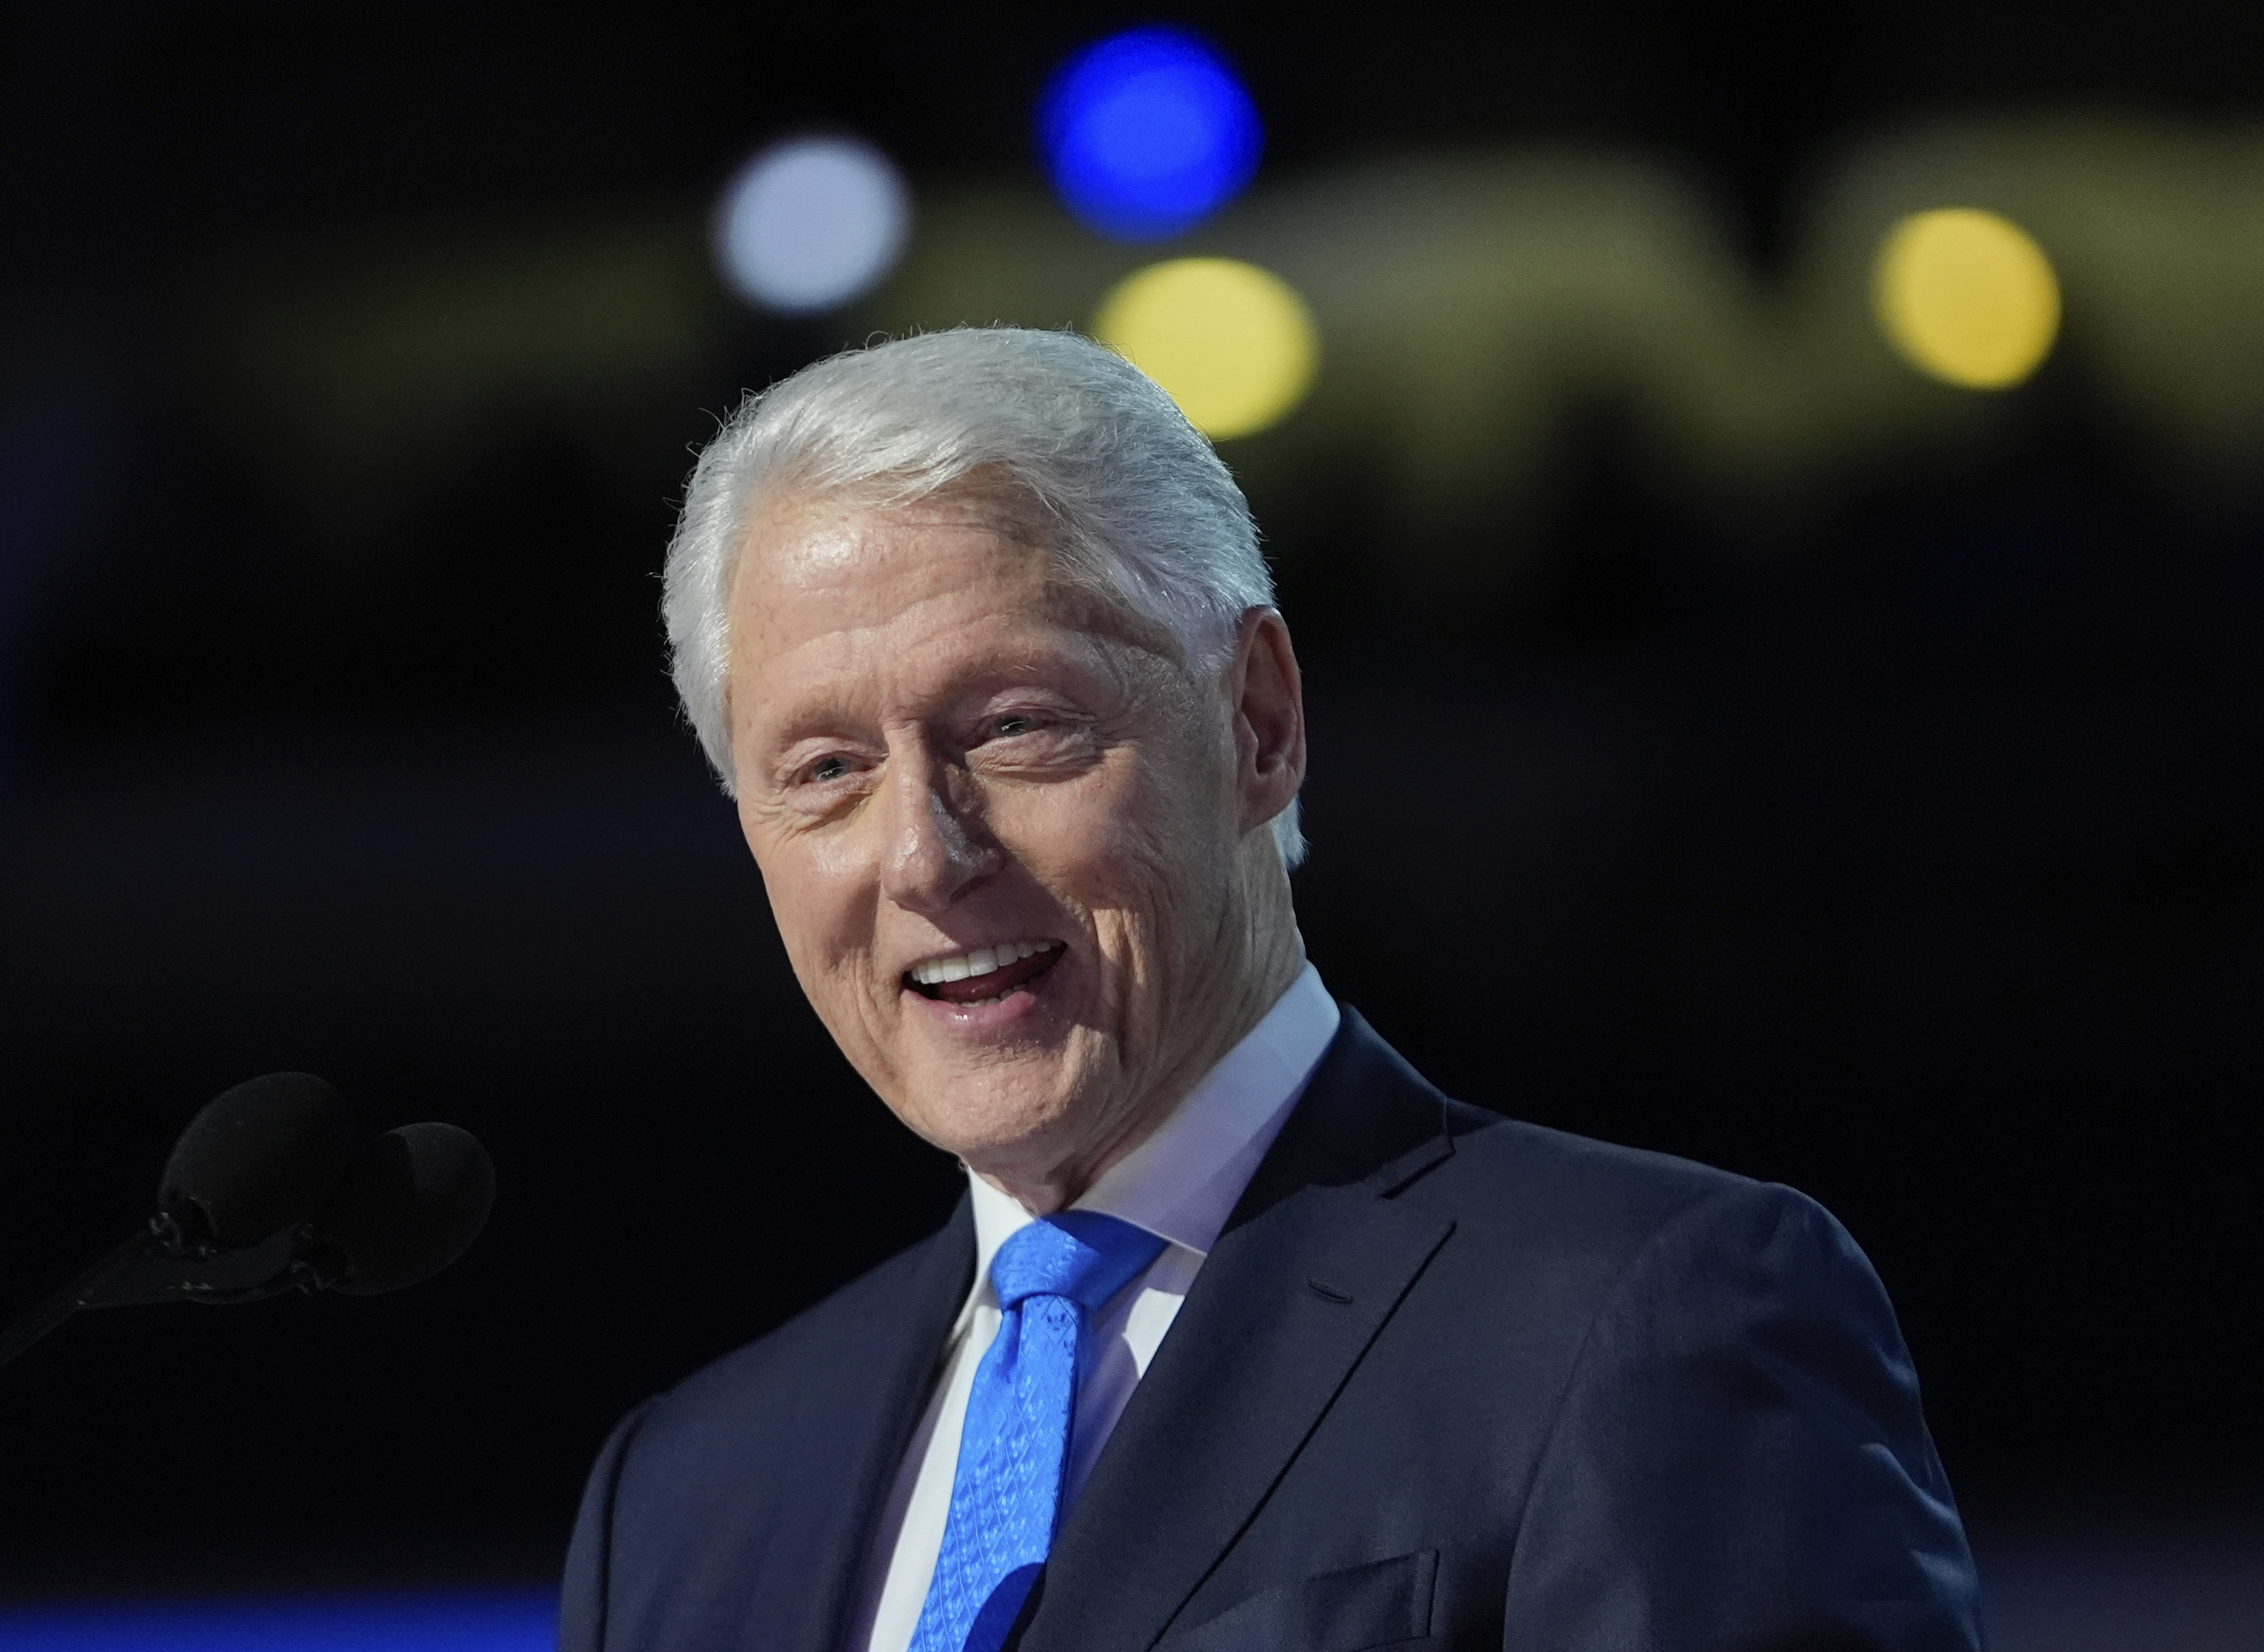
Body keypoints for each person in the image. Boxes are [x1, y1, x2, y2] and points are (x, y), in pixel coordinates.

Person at [559, 328, 1982, 1652]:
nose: (926, 855)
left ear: (1257, 719)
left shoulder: (1642, 1321)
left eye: (1015, 726)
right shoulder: (681, 1497)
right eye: (822, 771)